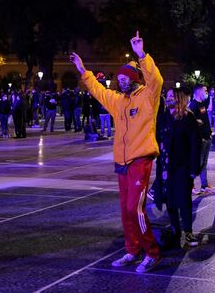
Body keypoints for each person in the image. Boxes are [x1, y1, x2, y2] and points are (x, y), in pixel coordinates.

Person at [69, 31, 163, 273]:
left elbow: (156, 80)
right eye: (119, 78)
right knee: (124, 210)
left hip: (140, 159)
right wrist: (83, 70)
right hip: (122, 163)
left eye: (125, 77)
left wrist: (141, 54)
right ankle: (132, 249)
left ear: (134, 78)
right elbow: (98, 91)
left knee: (135, 208)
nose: (120, 81)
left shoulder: (148, 96)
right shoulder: (118, 100)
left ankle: (152, 253)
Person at [152, 88, 201, 248]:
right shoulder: (163, 117)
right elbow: (157, 138)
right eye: (168, 96)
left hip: (182, 165)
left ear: (179, 98)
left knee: (184, 200)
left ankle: (188, 232)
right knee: (170, 201)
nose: (169, 98)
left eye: (173, 96)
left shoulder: (188, 117)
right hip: (166, 166)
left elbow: (195, 144)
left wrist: (194, 169)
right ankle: (175, 230)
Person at [188, 84, 215, 194]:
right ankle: (190, 185)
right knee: (197, 163)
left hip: (207, 137)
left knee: (204, 163)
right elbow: (191, 123)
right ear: (198, 92)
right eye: (204, 91)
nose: (206, 92)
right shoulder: (193, 105)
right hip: (200, 139)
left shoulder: (202, 104)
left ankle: (204, 185)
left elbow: (204, 118)